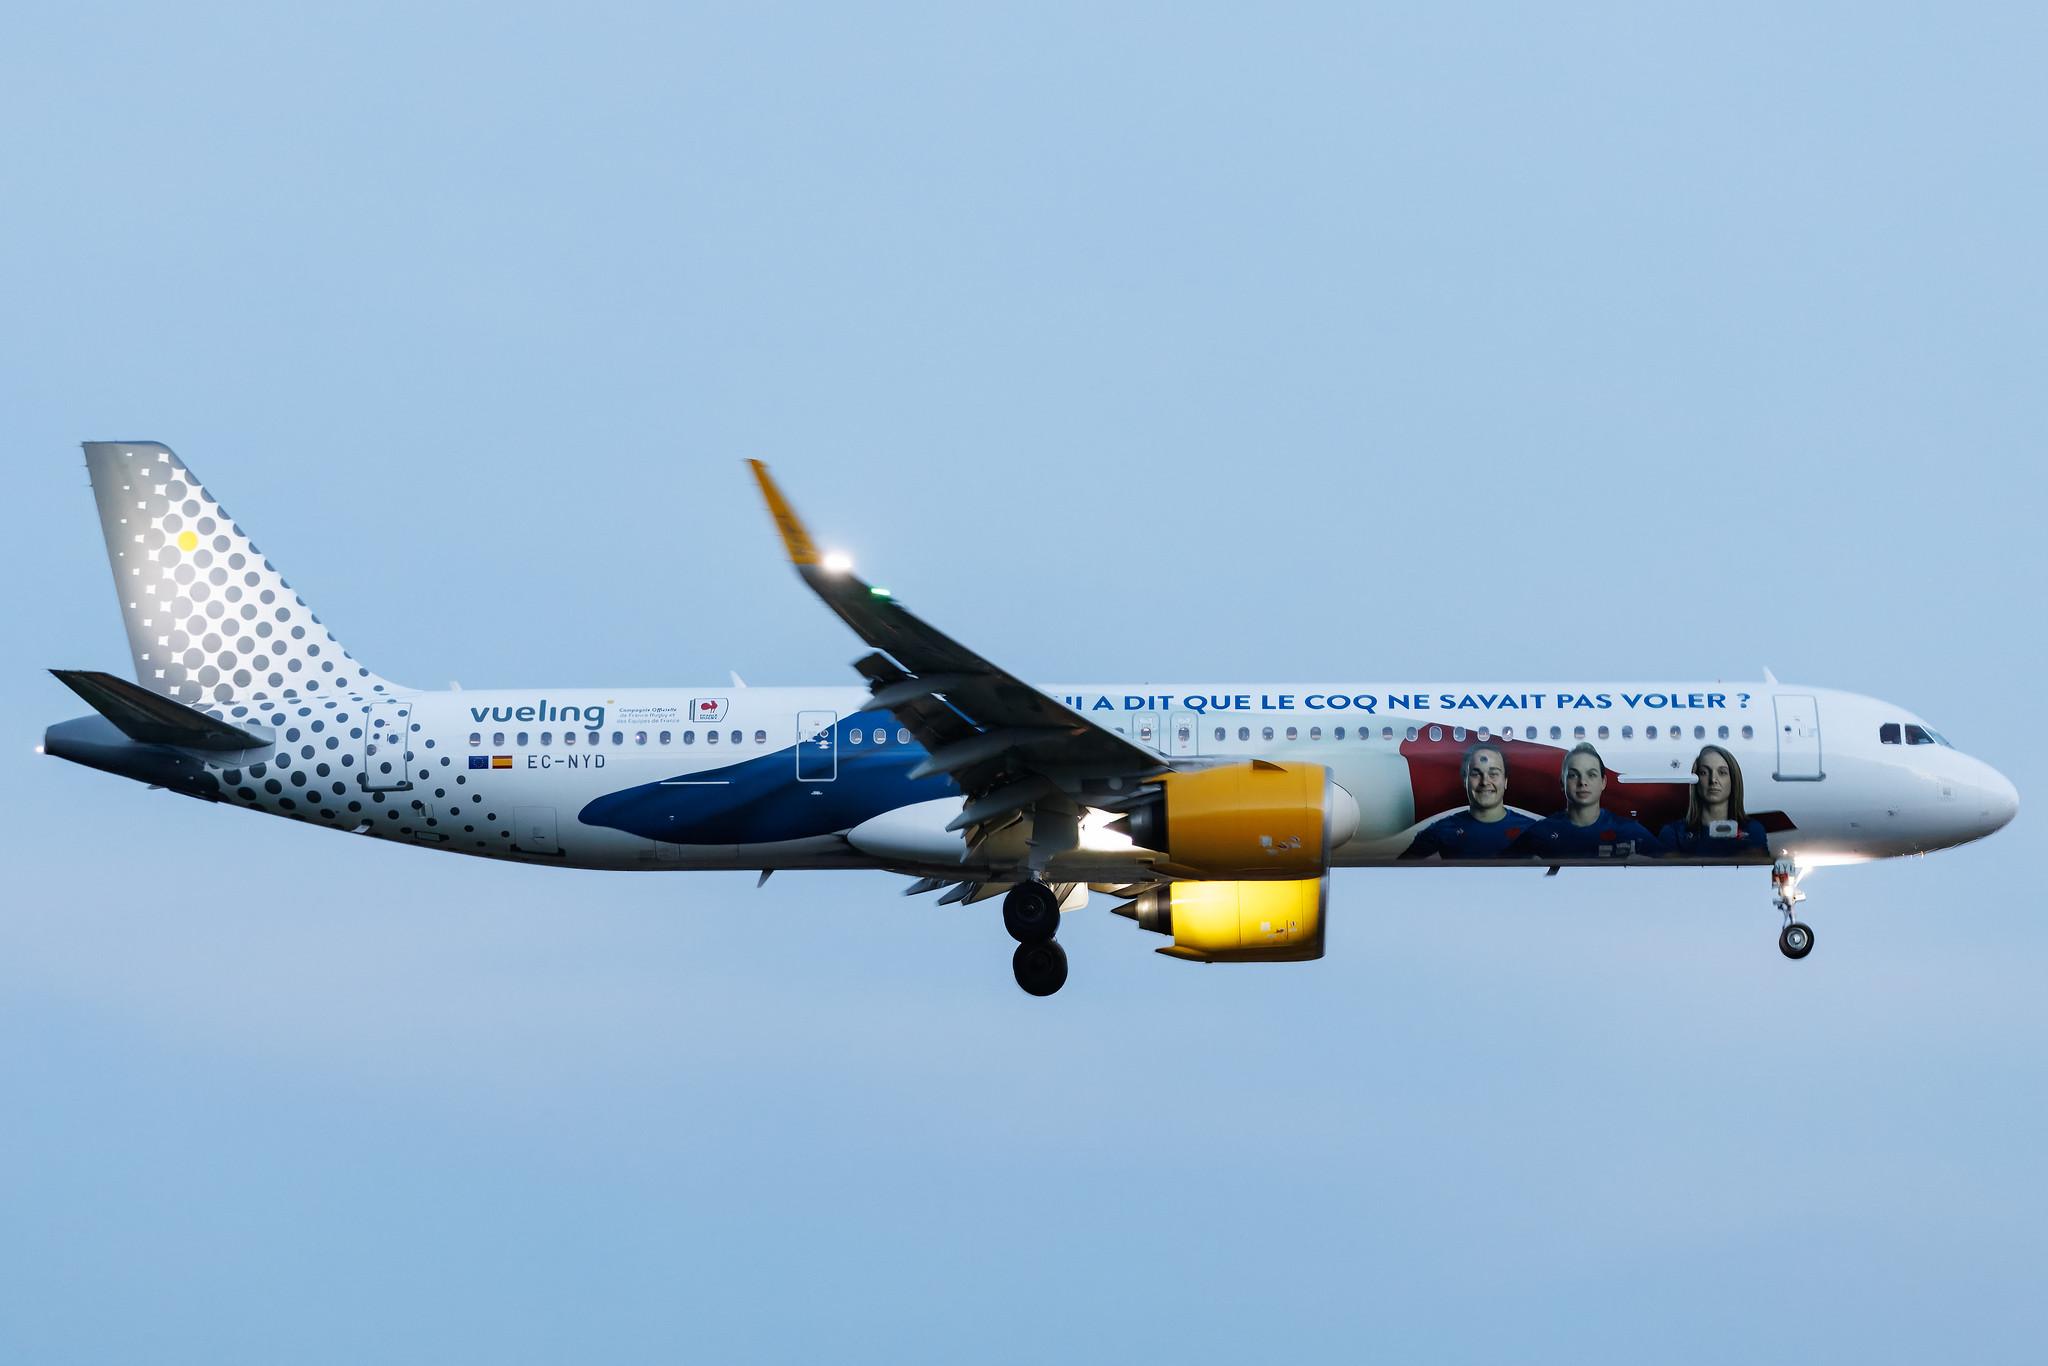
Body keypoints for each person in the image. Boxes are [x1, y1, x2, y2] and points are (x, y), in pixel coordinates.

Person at [1506, 742, 1662, 859]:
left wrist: (1649, 865)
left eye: (1591, 774)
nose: (1583, 782)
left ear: (1603, 782)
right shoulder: (1540, 833)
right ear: (1562, 783)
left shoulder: (1630, 831)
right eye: (1574, 775)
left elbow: (1669, 865)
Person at [1400, 742, 1537, 859]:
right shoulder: (1442, 829)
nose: (1485, 782)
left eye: (1493, 774)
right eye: (1476, 774)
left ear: (1505, 781)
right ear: (1465, 781)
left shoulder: (1532, 829)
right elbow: (1397, 872)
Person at [1658, 744, 1771, 859]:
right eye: (1704, 772)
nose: (1713, 780)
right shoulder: (1673, 832)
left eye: (1722, 773)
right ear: (1695, 780)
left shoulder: (1753, 830)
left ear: (1733, 780)